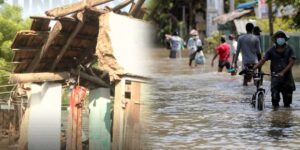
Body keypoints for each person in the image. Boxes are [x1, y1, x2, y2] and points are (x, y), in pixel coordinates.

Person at [253, 30, 296, 108]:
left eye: (282, 37)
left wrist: (283, 72)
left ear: (285, 39)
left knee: (287, 103)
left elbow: (291, 62)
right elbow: (263, 60)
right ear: (275, 39)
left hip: (287, 79)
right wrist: (254, 68)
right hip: (275, 78)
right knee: (275, 101)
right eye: (278, 37)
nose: (280, 38)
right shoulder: (271, 50)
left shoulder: (290, 49)